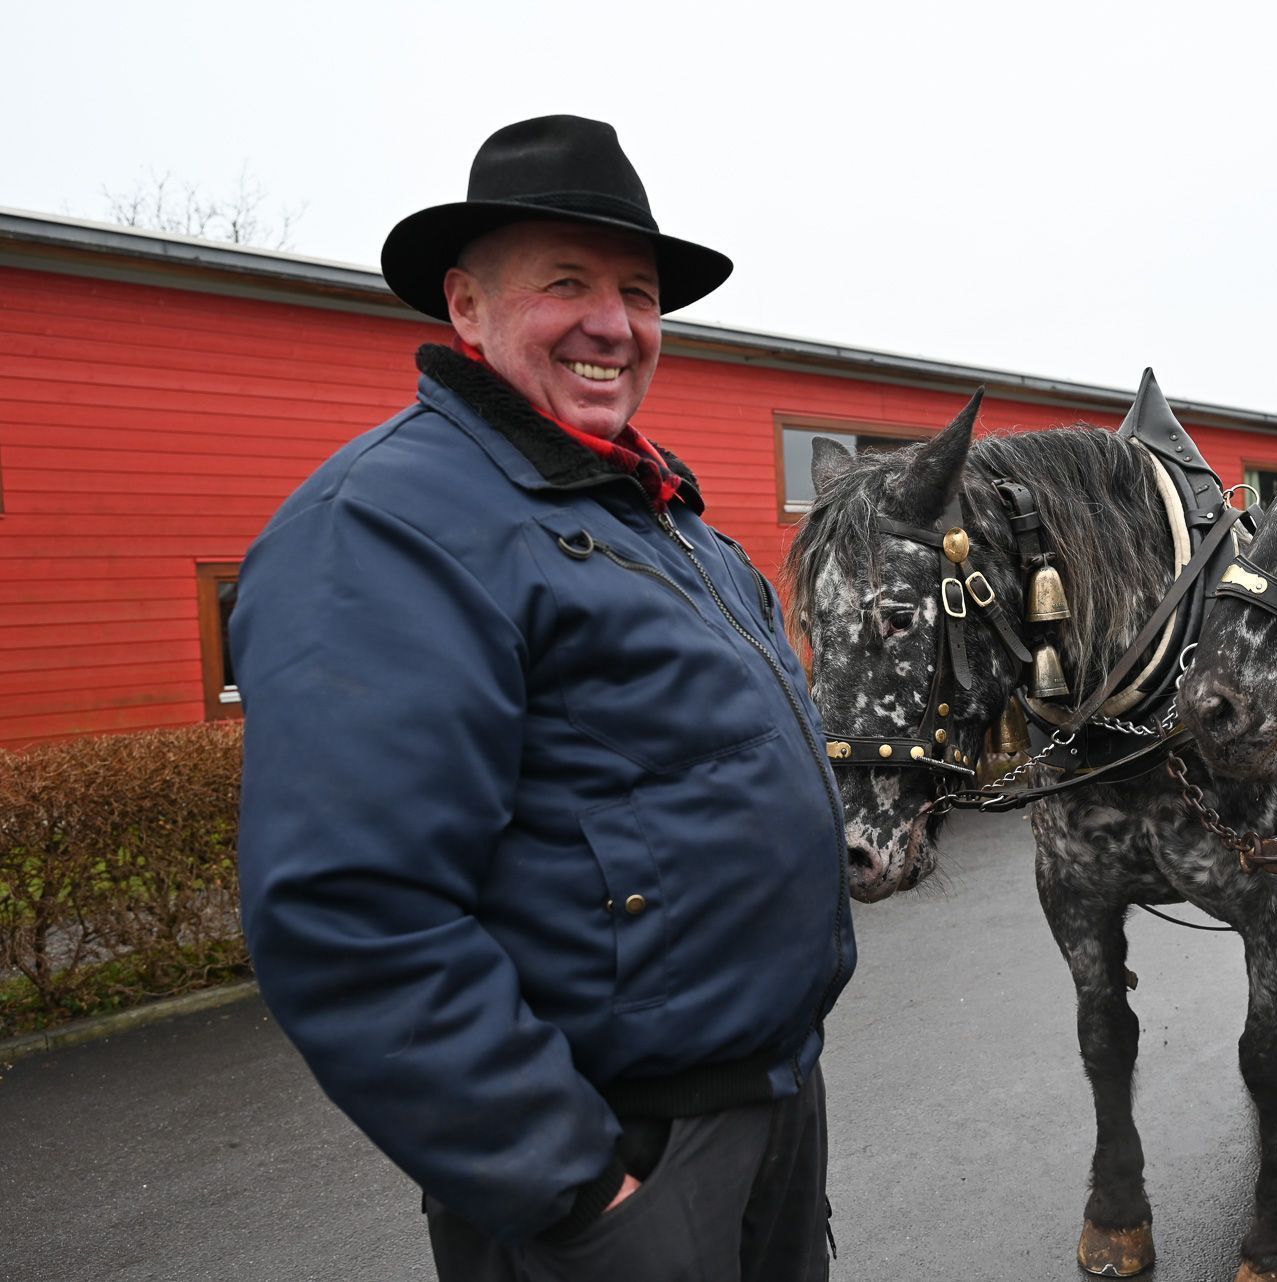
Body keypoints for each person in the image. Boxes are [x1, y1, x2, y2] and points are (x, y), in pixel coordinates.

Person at [232, 115, 854, 1282]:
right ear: (466, 307)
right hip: (617, 1158)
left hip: (765, 1108)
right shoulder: (389, 526)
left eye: (638, 292)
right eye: (567, 282)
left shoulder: (661, 519)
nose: (613, 323)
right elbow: (350, 913)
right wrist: (577, 1191)